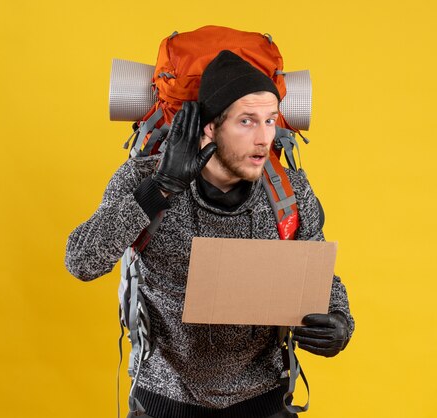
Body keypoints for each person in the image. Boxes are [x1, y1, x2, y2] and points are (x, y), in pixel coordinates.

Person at [65, 50, 354, 418]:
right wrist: (162, 187)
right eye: (247, 121)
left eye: (269, 120)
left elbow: (317, 276)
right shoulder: (145, 179)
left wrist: (341, 321)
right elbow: (81, 261)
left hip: (264, 399)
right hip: (164, 401)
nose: (265, 138)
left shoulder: (288, 192)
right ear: (210, 127)